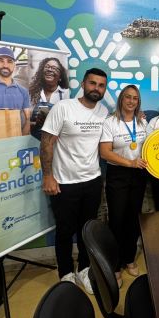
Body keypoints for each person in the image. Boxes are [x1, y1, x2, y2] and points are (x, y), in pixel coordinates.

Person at [40, 67, 108, 294]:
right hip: (64, 182)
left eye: (101, 85)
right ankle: (66, 273)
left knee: (87, 230)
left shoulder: (103, 111)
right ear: (83, 84)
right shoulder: (64, 107)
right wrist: (48, 176)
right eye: (92, 83)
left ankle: (84, 270)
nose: (96, 88)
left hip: (92, 181)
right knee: (64, 230)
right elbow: (47, 142)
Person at [100, 85, 148, 286]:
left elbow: (151, 146)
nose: (131, 101)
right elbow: (105, 152)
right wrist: (129, 163)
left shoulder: (142, 122)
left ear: (138, 102)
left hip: (139, 175)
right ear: (121, 99)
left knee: (133, 219)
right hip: (118, 175)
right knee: (117, 220)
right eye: (127, 97)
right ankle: (115, 265)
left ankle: (129, 258)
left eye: (135, 98)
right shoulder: (110, 122)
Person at [28, 57, 69, 139]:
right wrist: (35, 123)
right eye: (47, 67)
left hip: (56, 141)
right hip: (33, 141)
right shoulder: (30, 94)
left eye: (54, 68)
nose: (50, 69)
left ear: (60, 77)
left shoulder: (66, 94)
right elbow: (23, 122)